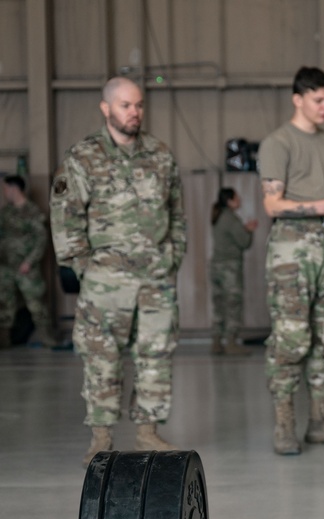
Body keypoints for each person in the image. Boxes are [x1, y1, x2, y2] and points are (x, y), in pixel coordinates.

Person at [49, 77, 186, 466]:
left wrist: (172, 255)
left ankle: (147, 432)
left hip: (156, 278)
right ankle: (102, 438)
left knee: (156, 353)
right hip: (105, 280)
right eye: (125, 105)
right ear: (106, 108)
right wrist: (85, 269)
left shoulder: (160, 154)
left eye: (139, 105)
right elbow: (65, 218)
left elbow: (177, 212)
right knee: (101, 357)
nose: (134, 112)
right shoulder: (82, 157)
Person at [257, 66, 324, 455]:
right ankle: (284, 423)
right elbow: (272, 204)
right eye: (318, 100)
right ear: (297, 99)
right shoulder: (277, 143)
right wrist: (323, 205)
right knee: (292, 338)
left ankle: (321, 420)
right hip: (291, 250)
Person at [0, 175, 57, 349]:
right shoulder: (6, 212)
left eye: (5, 188)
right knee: (4, 306)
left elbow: (42, 240)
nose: (4, 192)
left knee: (36, 305)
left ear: (13, 189)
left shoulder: (32, 211)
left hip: (26, 268)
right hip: (6, 267)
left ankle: (48, 341)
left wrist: (29, 262)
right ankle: (4, 342)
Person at [209, 187, 257, 356]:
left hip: (215, 265)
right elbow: (243, 243)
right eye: (237, 198)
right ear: (229, 201)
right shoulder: (231, 219)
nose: (240, 201)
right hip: (229, 266)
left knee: (219, 304)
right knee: (233, 304)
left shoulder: (218, 216)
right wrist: (249, 231)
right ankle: (231, 342)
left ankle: (216, 342)